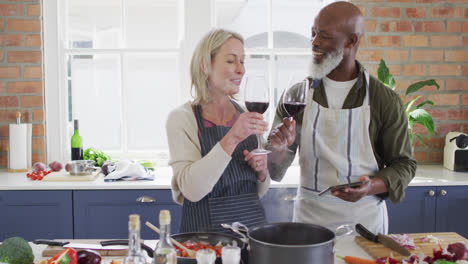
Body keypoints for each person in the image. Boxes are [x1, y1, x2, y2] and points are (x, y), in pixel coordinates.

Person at [267, 1, 416, 234]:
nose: (314, 42)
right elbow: (274, 172)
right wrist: (277, 149)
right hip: (309, 222)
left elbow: (404, 164)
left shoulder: (383, 100)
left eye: (324, 36)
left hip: (364, 224)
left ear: (351, 41)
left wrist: (369, 187)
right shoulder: (296, 96)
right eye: (313, 33)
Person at [166, 28, 270, 232]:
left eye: (242, 61)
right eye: (231, 61)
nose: (241, 69)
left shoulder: (247, 114)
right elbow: (192, 190)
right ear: (206, 65)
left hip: (252, 235)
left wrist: (263, 172)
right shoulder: (182, 119)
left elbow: (260, 191)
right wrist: (232, 137)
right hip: (203, 243)